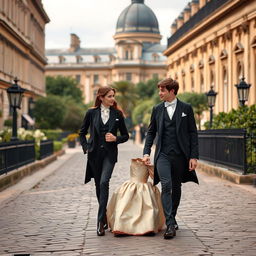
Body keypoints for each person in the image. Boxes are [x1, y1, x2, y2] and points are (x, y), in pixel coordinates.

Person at [142, 78, 199, 239]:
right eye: (159, 90)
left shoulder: (186, 108)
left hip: (181, 155)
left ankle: (172, 216)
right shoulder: (157, 109)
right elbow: (151, 132)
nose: (159, 93)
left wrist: (194, 156)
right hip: (163, 155)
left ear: (172, 91)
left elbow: (192, 133)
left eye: (162, 90)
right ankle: (169, 224)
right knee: (166, 185)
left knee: (176, 186)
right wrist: (146, 152)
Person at [79, 86, 129, 236]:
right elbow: (82, 132)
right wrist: (86, 147)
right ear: (101, 98)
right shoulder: (91, 113)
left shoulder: (118, 114)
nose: (113, 99)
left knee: (103, 182)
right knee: (98, 186)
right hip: (94, 154)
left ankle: (100, 221)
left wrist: (116, 139)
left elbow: (126, 135)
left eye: (113, 96)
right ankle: (105, 215)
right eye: (109, 96)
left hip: (110, 154)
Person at [107, 158, 165, 236]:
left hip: (142, 183)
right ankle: (123, 226)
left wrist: (150, 165)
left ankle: (147, 226)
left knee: (147, 206)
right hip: (134, 183)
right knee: (125, 205)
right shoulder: (134, 163)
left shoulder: (146, 165)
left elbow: (154, 177)